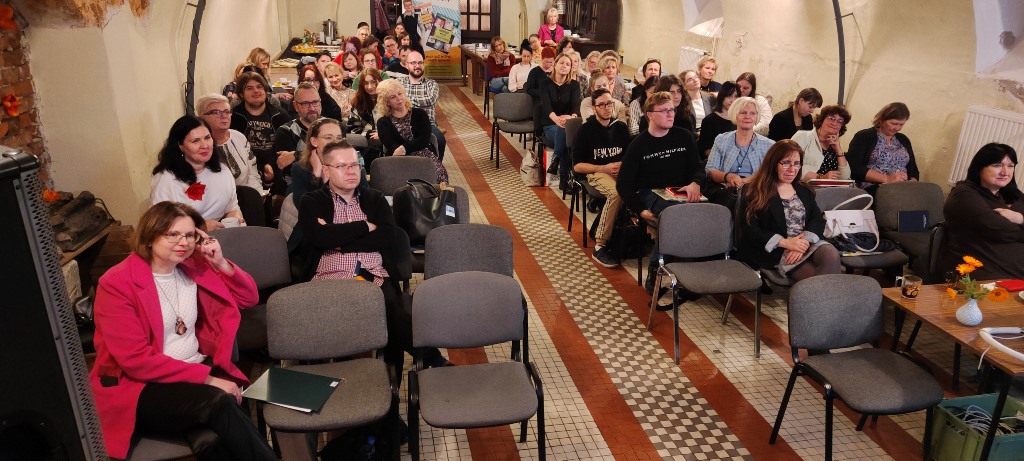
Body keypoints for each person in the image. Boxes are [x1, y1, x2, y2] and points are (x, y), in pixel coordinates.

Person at [89, 201, 276, 460]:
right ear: (150, 236)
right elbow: (136, 360)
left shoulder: (192, 267)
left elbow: (248, 298)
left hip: (192, 369)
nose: (184, 242)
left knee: (215, 437)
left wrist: (220, 262)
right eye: (173, 234)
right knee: (221, 403)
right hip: (143, 386)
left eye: (189, 235)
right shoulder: (117, 283)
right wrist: (209, 380)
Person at [297, 140, 448, 376]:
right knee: (349, 315)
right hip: (329, 278)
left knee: (393, 310)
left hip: (373, 275)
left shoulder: (374, 199)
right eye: (342, 166)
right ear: (326, 170)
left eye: (355, 165)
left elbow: (388, 237)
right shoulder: (312, 201)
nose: (351, 171)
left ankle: (394, 380)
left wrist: (337, 239)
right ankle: (433, 361)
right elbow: (318, 238)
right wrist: (364, 227)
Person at [615, 91, 704, 293]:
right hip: (651, 192)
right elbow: (623, 184)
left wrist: (696, 183)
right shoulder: (638, 144)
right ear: (650, 115)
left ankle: (691, 274)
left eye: (672, 110)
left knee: (702, 215)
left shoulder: (684, 137)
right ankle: (657, 269)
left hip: (682, 191)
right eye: (664, 111)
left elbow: (698, 167)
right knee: (676, 216)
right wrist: (640, 210)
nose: (670, 114)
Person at [737, 140, 841, 281]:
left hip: (805, 242)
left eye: (796, 163)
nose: (792, 169)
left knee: (831, 254)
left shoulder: (804, 189)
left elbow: (817, 219)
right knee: (814, 279)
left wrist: (803, 243)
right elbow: (749, 228)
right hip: (776, 248)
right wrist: (786, 243)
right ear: (773, 163)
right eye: (786, 163)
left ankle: (826, 295)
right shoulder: (754, 191)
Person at [942, 143, 1024, 279]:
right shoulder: (963, 194)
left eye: (1010, 166)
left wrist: (1020, 218)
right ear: (980, 168)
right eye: (997, 165)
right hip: (988, 275)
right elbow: (998, 229)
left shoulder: (1015, 195)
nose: (1005, 172)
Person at [573, 88, 631, 268]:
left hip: (619, 171)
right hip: (596, 171)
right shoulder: (585, 130)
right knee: (616, 193)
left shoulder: (621, 127)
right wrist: (604, 168)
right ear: (594, 108)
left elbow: (629, 156)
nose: (607, 108)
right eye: (602, 105)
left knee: (638, 187)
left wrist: (622, 166)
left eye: (609, 104)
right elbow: (577, 166)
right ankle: (600, 245)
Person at [152, 116, 242, 230]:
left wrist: (236, 219)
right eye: (195, 141)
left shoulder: (222, 171)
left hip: (219, 234)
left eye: (207, 138)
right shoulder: (166, 179)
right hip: (183, 237)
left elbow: (232, 208)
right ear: (180, 145)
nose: (205, 145)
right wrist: (199, 227)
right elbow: (161, 224)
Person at [704, 96, 773, 206]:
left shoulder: (769, 145)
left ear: (757, 116)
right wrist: (728, 177)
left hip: (756, 193)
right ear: (734, 114)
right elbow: (710, 170)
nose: (748, 116)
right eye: (743, 113)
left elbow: (771, 174)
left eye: (752, 113)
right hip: (725, 192)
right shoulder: (721, 139)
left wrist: (745, 182)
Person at [376, 79, 448, 183]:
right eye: (393, 97)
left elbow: (424, 139)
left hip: (424, 154)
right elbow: (392, 146)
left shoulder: (420, 114)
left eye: (400, 93)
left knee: (439, 175)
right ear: (386, 102)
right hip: (400, 159)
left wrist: (404, 148)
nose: (399, 98)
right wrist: (403, 151)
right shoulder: (383, 122)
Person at [229, 72, 289, 194]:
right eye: (249, 88)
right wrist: (261, 168)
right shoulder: (234, 117)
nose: (256, 91)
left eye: (259, 87)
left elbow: (285, 147)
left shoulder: (280, 115)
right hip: (246, 168)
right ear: (241, 94)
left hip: (276, 165)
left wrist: (270, 165)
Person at [197, 93, 263, 194]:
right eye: (216, 112)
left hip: (245, 195)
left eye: (227, 111)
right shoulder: (199, 146)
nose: (224, 116)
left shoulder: (239, 137)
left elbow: (252, 171)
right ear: (202, 117)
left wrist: (256, 193)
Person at [847, 102, 919, 193]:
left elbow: (913, 170)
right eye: (894, 123)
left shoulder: (903, 139)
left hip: (902, 188)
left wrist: (912, 183)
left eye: (901, 125)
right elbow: (854, 168)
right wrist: (887, 178)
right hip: (873, 187)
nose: (897, 128)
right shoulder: (864, 136)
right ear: (882, 119)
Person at [539, 52, 582, 187]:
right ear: (555, 65)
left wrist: (571, 118)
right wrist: (557, 120)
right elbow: (546, 106)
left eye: (568, 64)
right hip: (549, 124)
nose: (564, 66)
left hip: (567, 124)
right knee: (563, 133)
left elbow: (576, 106)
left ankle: (556, 158)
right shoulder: (545, 83)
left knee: (563, 133)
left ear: (570, 69)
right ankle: (564, 181)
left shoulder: (574, 85)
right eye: (562, 63)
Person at [398, 50, 447, 162]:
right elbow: (395, 102)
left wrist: (406, 99)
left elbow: (430, 100)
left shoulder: (431, 84)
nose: (417, 66)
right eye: (413, 63)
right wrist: (404, 100)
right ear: (406, 65)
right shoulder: (399, 83)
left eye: (420, 63)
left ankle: (437, 168)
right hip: (403, 123)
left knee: (440, 140)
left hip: (428, 124)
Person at [792, 105, 852, 181]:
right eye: (831, 118)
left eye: (840, 121)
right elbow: (792, 165)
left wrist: (839, 151)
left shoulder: (835, 145)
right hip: (806, 185)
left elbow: (845, 177)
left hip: (831, 187)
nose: (834, 123)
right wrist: (821, 178)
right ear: (822, 120)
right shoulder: (803, 136)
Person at [698, 81, 739, 158]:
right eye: (729, 96)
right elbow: (705, 149)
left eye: (736, 96)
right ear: (722, 96)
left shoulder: (740, 120)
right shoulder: (709, 120)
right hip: (716, 161)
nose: (732, 100)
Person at [681, 69, 714, 137]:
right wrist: (697, 134)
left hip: (709, 135)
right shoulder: (682, 102)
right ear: (684, 85)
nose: (695, 80)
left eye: (696, 77)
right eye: (690, 79)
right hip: (691, 137)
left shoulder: (710, 98)